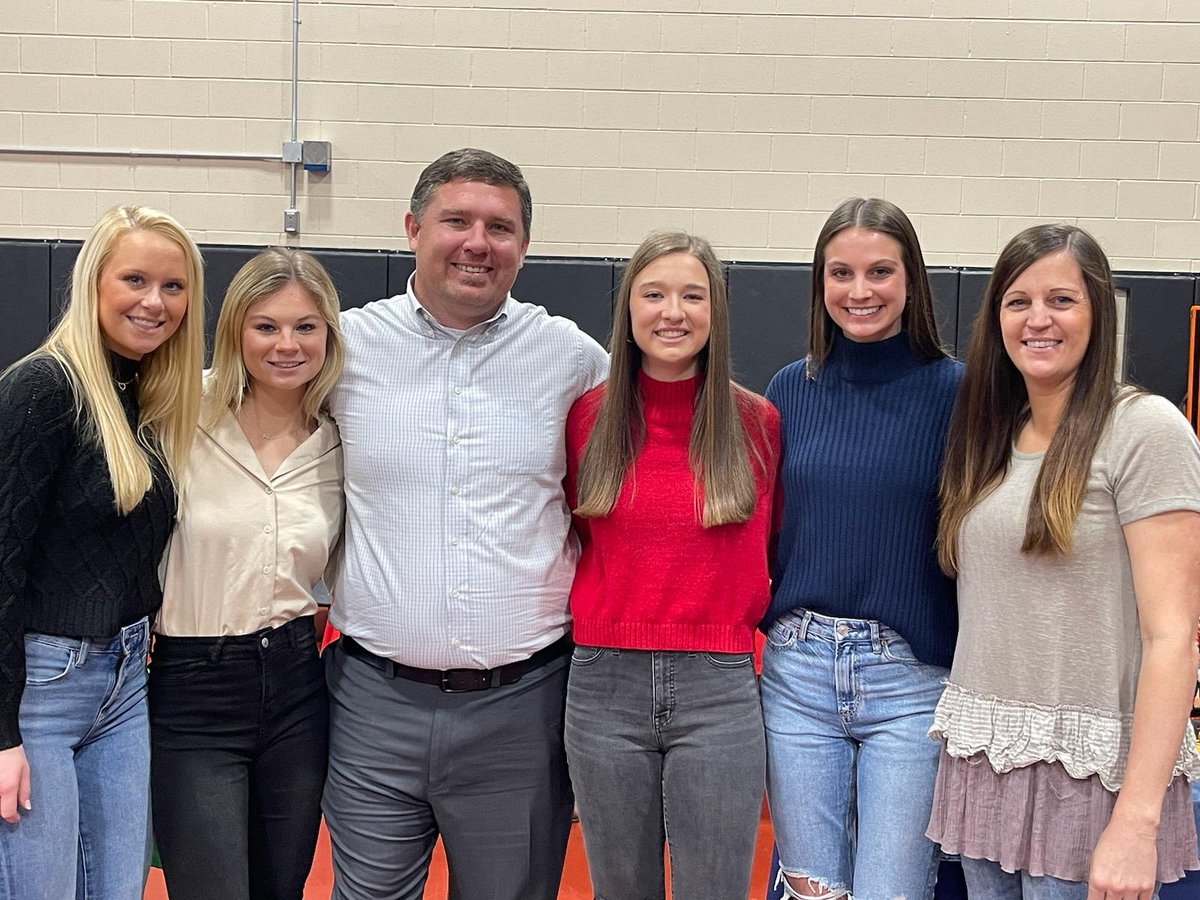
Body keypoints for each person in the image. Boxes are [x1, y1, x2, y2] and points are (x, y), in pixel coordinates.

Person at [322, 148, 609, 900]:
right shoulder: (340, 348)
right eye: (457, 221)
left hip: (523, 709)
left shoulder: (573, 360)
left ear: (523, 245)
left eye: (500, 227)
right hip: (372, 705)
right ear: (413, 228)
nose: (478, 242)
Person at [928, 224, 1200, 896]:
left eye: (1062, 300)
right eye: (1018, 302)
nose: (1038, 319)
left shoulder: (1144, 429)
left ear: (1099, 312)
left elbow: (1175, 637)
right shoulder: (989, 437)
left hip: (1090, 781)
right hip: (989, 762)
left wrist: (1136, 821)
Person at [564, 231, 780, 899]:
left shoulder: (758, 424)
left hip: (718, 685)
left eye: (692, 295)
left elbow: (771, 552)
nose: (672, 312)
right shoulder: (585, 420)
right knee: (619, 887)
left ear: (715, 310)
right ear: (628, 309)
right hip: (604, 683)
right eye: (653, 294)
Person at [0, 205, 204, 899]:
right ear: (94, 284)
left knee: (117, 888)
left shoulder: (146, 396)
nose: (155, 302)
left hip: (123, 683)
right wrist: (1, 736)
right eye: (136, 280)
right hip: (38, 693)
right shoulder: (42, 390)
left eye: (173, 287)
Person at [761, 198, 962, 900]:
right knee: (811, 888)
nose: (860, 291)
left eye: (880, 271)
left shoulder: (958, 393)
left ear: (911, 281)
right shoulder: (791, 388)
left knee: (893, 890)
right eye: (840, 273)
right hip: (799, 670)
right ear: (821, 283)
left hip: (910, 679)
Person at [148, 248, 345, 900]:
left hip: (296, 684)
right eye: (266, 326)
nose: (287, 344)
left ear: (328, 335)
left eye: (305, 327)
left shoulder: (341, 437)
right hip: (192, 687)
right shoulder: (177, 412)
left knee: (278, 890)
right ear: (236, 329)